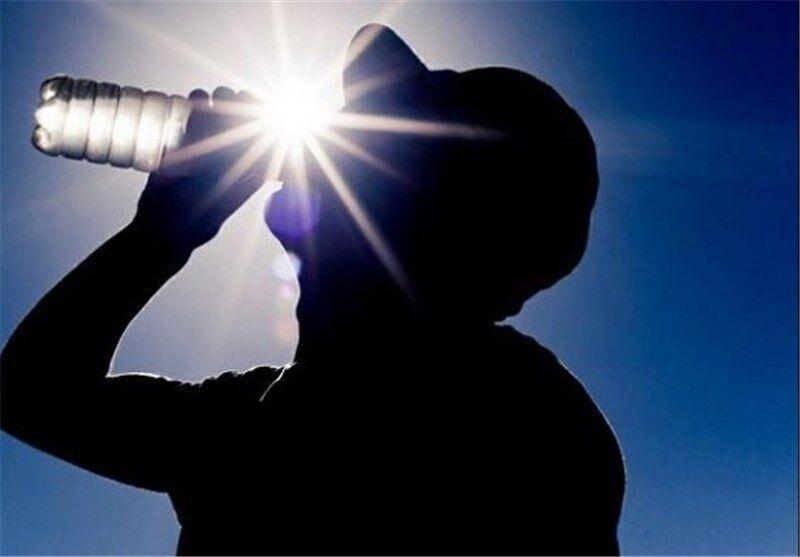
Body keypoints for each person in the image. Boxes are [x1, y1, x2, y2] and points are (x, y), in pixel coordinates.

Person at [1, 24, 624, 556]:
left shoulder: (529, 430)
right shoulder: (242, 417)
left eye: (383, 156)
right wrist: (161, 233)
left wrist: (162, 238)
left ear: (450, 225)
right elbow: (27, 396)